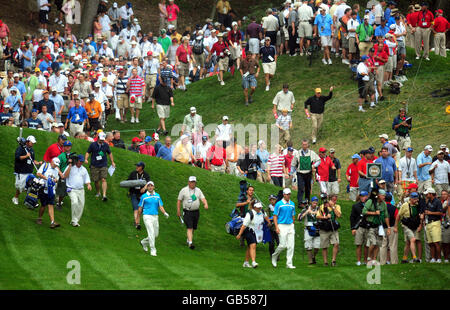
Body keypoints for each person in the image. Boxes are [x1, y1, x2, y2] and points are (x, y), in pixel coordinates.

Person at [138, 181, 169, 257]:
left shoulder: (157, 196)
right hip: (147, 216)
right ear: (147, 187)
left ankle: (144, 242)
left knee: (155, 235)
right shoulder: (144, 196)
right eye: (149, 186)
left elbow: (160, 206)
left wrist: (164, 213)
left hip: (155, 216)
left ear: (154, 187)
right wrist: (138, 219)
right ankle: (153, 250)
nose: (150, 187)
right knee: (151, 232)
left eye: (151, 186)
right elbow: (140, 208)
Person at [176, 176, 208, 250]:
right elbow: (179, 200)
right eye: (191, 182)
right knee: (189, 227)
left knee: (193, 227)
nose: (193, 183)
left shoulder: (198, 190)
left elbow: (203, 198)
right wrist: (178, 210)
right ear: (188, 182)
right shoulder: (184, 190)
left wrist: (205, 204)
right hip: (187, 211)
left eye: (194, 182)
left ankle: (189, 239)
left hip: (196, 211)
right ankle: (190, 243)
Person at [236, 200, 268, 268]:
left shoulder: (262, 211)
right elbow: (244, 225)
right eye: (258, 207)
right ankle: (253, 262)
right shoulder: (250, 214)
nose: (259, 208)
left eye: (260, 207)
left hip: (257, 231)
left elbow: (266, 217)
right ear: (254, 207)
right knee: (253, 245)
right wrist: (239, 234)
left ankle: (246, 262)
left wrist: (269, 222)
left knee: (249, 247)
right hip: (249, 231)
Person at [362, 189, 391, 265]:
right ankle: (369, 257)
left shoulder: (384, 204)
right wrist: (374, 213)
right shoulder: (370, 202)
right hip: (371, 225)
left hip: (380, 226)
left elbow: (386, 216)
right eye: (383, 195)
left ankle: (374, 259)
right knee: (373, 243)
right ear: (378, 195)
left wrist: (388, 227)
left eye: (385, 195)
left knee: (378, 243)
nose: (384, 197)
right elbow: (364, 212)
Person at [85, 131, 116, 202]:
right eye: (101, 139)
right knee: (96, 181)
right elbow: (88, 152)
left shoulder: (106, 145)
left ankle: (104, 195)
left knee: (103, 179)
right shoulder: (92, 145)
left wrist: (112, 162)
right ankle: (98, 192)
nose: (102, 141)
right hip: (94, 165)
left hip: (103, 164)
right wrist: (86, 159)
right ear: (98, 138)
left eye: (103, 140)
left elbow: (110, 153)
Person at [271, 188, 296, 269]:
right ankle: (274, 256)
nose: (289, 196)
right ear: (284, 195)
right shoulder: (279, 204)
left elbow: (293, 215)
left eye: (289, 194)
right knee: (282, 245)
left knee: (291, 246)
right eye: (287, 194)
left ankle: (289, 264)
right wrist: (276, 227)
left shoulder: (292, 204)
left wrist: (292, 223)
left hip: (290, 226)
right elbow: (275, 216)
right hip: (281, 225)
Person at [394, 191, 422, 263]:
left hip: (415, 225)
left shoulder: (418, 205)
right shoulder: (405, 205)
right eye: (415, 199)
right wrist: (396, 226)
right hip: (406, 225)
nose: (416, 200)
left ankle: (404, 258)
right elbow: (398, 216)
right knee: (412, 239)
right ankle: (414, 257)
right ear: (411, 199)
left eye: (417, 199)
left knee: (408, 242)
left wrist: (420, 224)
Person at [12, 136, 41, 205]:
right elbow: (17, 157)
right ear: (27, 142)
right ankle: (15, 197)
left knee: (31, 186)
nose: (33, 144)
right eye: (32, 142)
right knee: (20, 187)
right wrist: (26, 156)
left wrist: (38, 163)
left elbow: (32, 160)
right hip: (21, 170)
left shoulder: (31, 150)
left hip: (29, 171)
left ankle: (29, 201)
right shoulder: (21, 149)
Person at [64, 155, 92, 227]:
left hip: (81, 190)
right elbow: (65, 176)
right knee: (75, 202)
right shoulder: (71, 167)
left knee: (81, 205)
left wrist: (88, 185)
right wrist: (69, 166)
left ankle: (75, 221)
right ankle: (73, 220)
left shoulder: (84, 169)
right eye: (80, 161)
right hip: (71, 189)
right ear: (76, 160)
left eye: (82, 161)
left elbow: (86, 178)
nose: (81, 162)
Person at [291, 139, 320, 204]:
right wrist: (291, 173)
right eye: (303, 144)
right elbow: (293, 164)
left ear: (308, 145)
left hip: (308, 173)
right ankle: (300, 202)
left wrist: (314, 166)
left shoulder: (311, 153)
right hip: (300, 173)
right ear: (302, 145)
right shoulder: (298, 153)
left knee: (308, 188)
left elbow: (319, 160)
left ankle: (307, 201)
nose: (304, 146)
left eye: (305, 144)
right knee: (301, 188)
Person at [36, 158, 61, 229]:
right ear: (52, 162)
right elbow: (38, 173)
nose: (56, 166)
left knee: (51, 204)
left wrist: (55, 180)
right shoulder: (45, 165)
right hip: (43, 188)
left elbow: (56, 178)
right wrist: (46, 178)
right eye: (55, 164)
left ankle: (52, 222)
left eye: (57, 165)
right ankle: (39, 218)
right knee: (43, 205)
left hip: (51, 190)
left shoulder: (56, 170)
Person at [126, 161, 151, 231]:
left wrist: (144, 188)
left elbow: (149, 182)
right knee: (136, 208)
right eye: (136, 166)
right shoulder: (133, 173)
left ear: (142, 168)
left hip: (142, 195)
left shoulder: (146, 175)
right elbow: (128, 182)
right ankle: (137, 224)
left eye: (138, 166)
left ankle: (137, 222)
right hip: (133, 193)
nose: (136, 167)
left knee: (140, 210)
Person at [350, 191, 370, 265]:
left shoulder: (369, 205)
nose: (362, 198)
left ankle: (365, 260)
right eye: (361, 196)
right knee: (359, 244)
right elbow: (352, 218)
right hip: (359, 227)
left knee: (366, 245)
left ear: (367, 196)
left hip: (367, 226)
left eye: (364, 196)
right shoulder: (356, 206)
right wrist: (353, 228)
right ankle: (358, 261)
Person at [424, 188, 443, 263]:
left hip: (435, 223)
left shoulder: (437, 201)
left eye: (427, 194)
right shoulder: (428, 201)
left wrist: (430, 213)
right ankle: (433, 258)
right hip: (428, 223)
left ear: (431, 194)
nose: (426, 195)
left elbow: (440, 213)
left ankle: (438, 258)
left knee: (436, 242)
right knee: (430, 243)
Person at [299, 196, 321, 265]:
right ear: (311, 202)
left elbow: (322, 215)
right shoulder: (305, 209)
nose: (315, 203)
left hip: (317, 228)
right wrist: (307, 212)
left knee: (317, 246)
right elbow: (299, 218)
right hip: (308, 228)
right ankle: (310, 261)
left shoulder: (319, 209)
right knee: (308, 246)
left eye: (316, 201)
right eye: (314, 201)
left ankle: (313, 256)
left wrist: (315, 213)